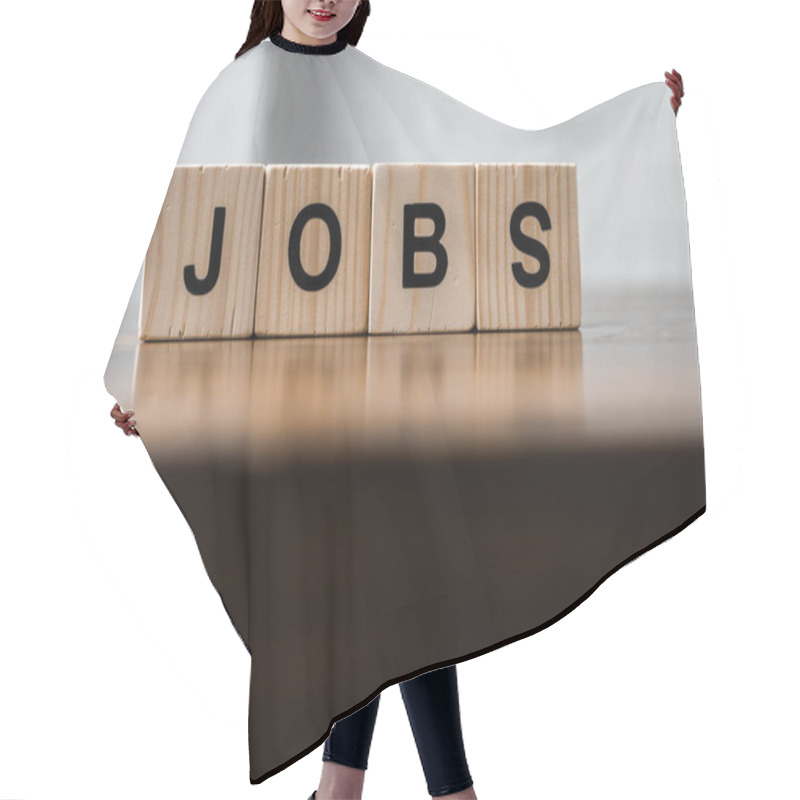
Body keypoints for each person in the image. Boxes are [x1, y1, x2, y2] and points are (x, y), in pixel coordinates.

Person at [110, 3, 686, 797]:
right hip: (293, 399)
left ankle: (348, 787)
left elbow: (484, 163)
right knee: (390, 578)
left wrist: (636, 124)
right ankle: (435, 790)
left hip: (384, 386)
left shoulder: (370, 84)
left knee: (391, 578)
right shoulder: (240, 90)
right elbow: (193, 237)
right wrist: (148, 376)